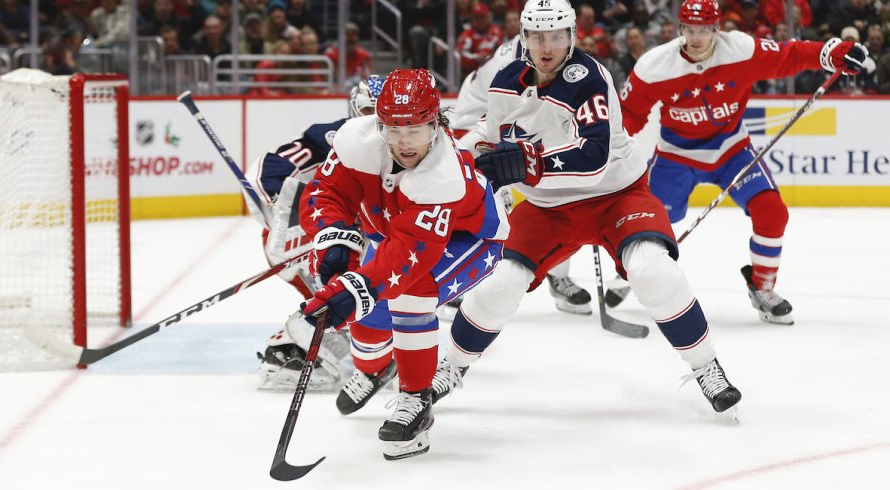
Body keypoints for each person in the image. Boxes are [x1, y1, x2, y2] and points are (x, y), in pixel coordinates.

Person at [435, 0, 742, 416]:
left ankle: (707, 367)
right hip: (548, 207)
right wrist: (452, 154)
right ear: (523, 38)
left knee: (653, 270)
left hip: (616, 196)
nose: (548, 47)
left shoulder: (590, 79)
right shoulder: (506, 81)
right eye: (538, 37)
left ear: (572, 36)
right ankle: (449, 369)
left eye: (557, 36)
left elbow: (594, 156)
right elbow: (491, 133)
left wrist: (531, 162)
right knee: (499, 282)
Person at [610, 0, 867, 325]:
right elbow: (628, 114)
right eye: (691, 29)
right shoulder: (655, 65)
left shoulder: (740, 50)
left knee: (772, 211)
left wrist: (832, 53)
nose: (697, 37)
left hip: (731, 149)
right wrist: (605, 144)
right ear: (680, 29)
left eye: (704, 29)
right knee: (652, 221)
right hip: (677, 154)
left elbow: (789, 54)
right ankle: (629, 271)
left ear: (717, 28)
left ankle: (763, 287)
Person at [296, 68, 509, 459]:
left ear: (436, 124)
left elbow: (408, 259)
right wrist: (333, 238)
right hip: (398, 233)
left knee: (410, 292)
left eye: (415, 128)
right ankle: (374, 368)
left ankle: (415, 403)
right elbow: (326, 192)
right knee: (367, 315)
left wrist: (352, 290)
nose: (403, 141)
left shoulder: (443, 175)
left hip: (472, 239)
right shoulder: (356, 140)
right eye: (393, 128)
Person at [251, 76, 387, 393]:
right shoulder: (331, 137)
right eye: (368, 111)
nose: (374, 122)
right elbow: (270, 168)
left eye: (380, 113)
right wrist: (286, 208)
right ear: (354, 109)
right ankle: (306, 332)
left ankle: (311, 336)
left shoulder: (406, 138)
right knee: (346, 293)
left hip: (374, 237)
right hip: (324, 240)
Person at [450, 34, 594, 316]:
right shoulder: (513, 59)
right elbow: (499, 120)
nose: (548, 43)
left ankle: (558, 275)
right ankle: (464, 280)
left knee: (560, 192)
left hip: (518, 122)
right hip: (475, 124)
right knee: (489, 205)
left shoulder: (563, 51)